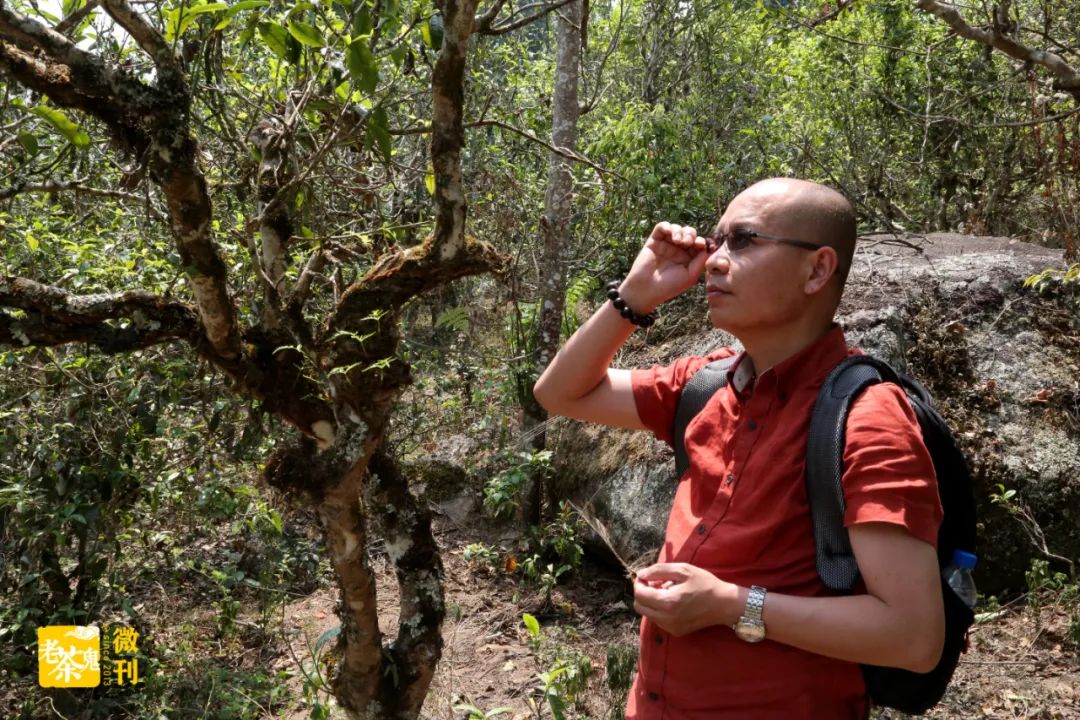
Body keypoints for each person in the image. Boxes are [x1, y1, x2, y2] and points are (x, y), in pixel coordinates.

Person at [533, 178, 945, 719]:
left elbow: (912, 638)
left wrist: (730, 605)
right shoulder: (706, 382)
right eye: (717, 240)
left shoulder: (867, 419)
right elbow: (560, 393)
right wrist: (634, 295)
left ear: (817, 270)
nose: (714, 262)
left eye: (745, 241)